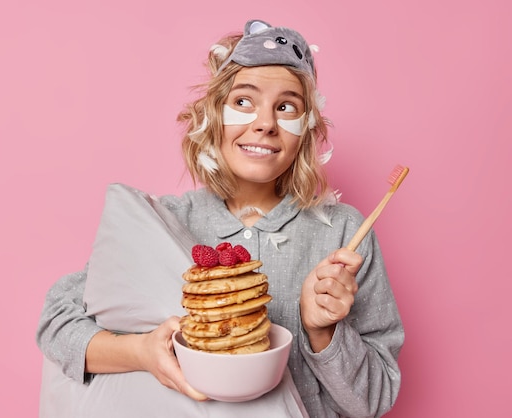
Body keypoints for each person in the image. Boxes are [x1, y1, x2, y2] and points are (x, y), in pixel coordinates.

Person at [36, 19, 404, 417]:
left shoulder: (345, 234)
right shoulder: (162, 223)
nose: (264, 123)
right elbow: (56, 323)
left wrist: (323, 331)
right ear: (213, 114)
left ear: (306, 129)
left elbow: (373, 401)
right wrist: (143, 352)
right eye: (244, 101)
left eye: (286, 107)